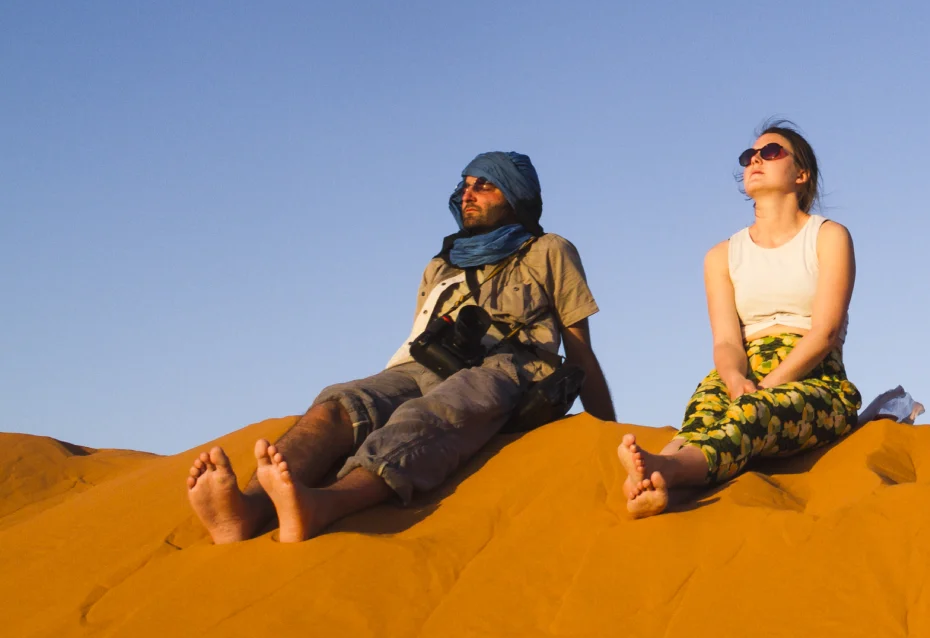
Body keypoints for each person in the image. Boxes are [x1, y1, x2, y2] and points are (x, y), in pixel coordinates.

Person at [184, 152, 614, 543]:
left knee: (429, 414)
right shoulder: (440, 266)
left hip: (508, 372)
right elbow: (416, 339)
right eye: (464, 186)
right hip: (422, 365)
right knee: (338, 404)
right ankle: (246, 510)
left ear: (515, 195)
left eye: (484, 185)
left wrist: (605, 440)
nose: (468, 194)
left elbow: (580, 349)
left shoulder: (548, 250)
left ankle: (323, 505)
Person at [620, 125, 861, 516]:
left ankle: (665, 471)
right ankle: (647, 480)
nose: (755, 160)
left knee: (752, 415)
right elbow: (727, 342)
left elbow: (826, 332)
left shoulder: (828, 236)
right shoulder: (721, 255)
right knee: (701, 414)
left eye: (770, 152)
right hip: (740, 368)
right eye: (749, 156)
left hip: (814, 375)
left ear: (801, 175)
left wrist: (765, 386)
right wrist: (735, 379)